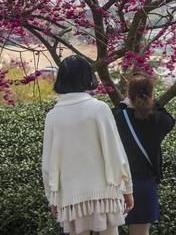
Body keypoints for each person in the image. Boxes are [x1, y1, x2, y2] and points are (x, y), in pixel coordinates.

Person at [42, 55, 134, 235]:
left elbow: (48, 163)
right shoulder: (99, 109)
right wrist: (127, 188)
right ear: (88, 77)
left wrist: (52, 197)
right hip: (105, 191)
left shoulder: (53, 116)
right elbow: (116, 152)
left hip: (71, 195)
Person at [112, 73, 175, 235]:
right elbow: (170, 121)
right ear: (151, 93)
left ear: (128, 93)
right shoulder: (159, 118)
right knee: (140, 232)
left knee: (110, 230)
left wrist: (123, 105)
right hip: (145, 183)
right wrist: (154, 104)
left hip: (119, 182)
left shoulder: (117, 116)